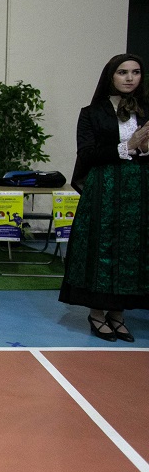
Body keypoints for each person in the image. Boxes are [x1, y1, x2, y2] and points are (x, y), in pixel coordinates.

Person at [60, 54, 149, 342]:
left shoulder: (146, 111)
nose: (130, 78)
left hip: (138, 190)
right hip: (105, 188)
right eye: (122, 72)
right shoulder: (92, 113)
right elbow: (87, 154)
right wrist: (128, 145)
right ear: (111, 76)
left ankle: (118, 314)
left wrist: (144, 148)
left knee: (130, 249)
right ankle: (97, 313)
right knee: (101, 247)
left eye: (135, 72)